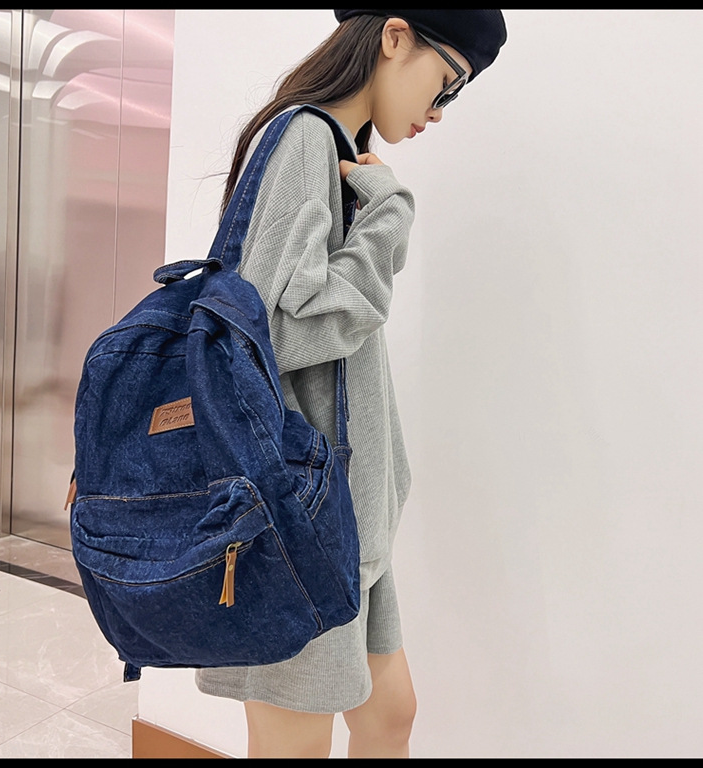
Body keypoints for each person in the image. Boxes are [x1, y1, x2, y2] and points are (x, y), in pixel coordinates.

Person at [194, 9, 507, 758]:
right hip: (297, 523)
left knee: (389, 716)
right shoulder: (304, 137)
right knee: (295, 745)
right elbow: (274, 332)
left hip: (344, 518)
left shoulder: (333, 149)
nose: (438, 111)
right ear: (395, 37)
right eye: (446, 84)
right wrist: (389, 215)